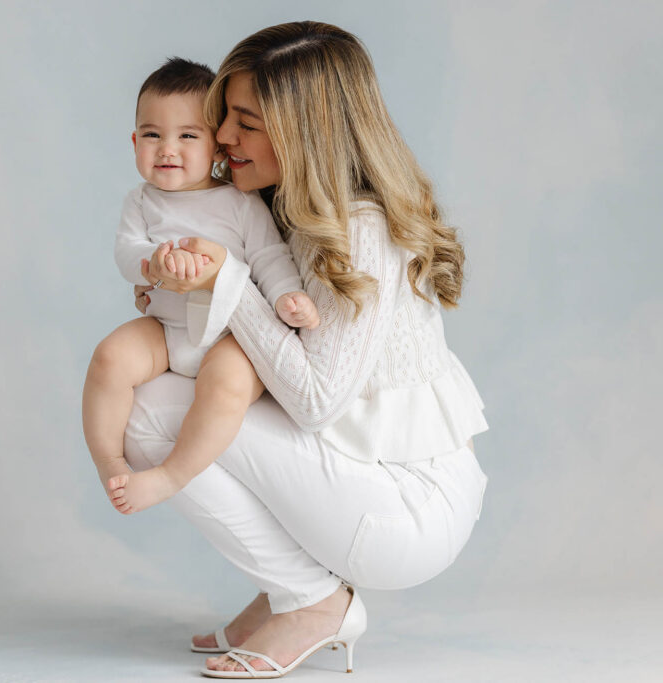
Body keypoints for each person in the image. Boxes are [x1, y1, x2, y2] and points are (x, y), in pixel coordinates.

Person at [123, 22, 489, 677]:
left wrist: (226, 286)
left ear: (304, 131)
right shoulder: (285, 207)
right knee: (157, 389)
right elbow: (261, 354)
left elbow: (315, 401)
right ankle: (293, 588)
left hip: (407, 509)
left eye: (245, 122)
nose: (223, 138)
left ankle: (313, 599)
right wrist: (181, 293)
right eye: (222, 118)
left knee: (148, 411)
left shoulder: (360, 231)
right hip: (366, 475)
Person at [82, 58, 320, 515]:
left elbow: (270, 257)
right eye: (152, 135)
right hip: (167, 331)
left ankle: (172, 475)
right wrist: (151, 265)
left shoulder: (241, 202)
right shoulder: (141, 202)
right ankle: (110, 460)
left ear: (216, 148)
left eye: (187, 135)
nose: (167, 148)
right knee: (109, 357)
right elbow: (125, 252)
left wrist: (289, 295)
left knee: (227, 387)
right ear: (134, 141)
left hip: (231, 337)